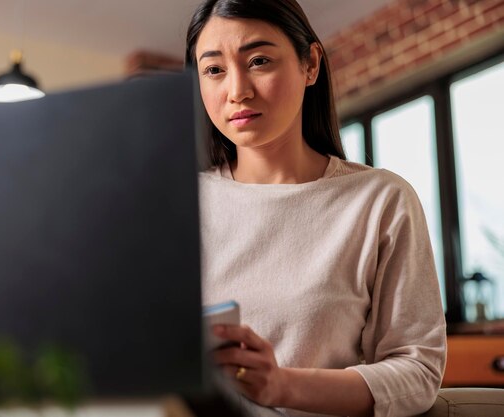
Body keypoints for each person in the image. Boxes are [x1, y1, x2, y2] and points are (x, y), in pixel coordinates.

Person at [186, 1, 447, 416]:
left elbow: (417, 371)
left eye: (258, 60)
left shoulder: (381, 201)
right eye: (214, 69)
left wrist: (281, 386)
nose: (237, 90)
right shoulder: (180, 206)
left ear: (310, 64)